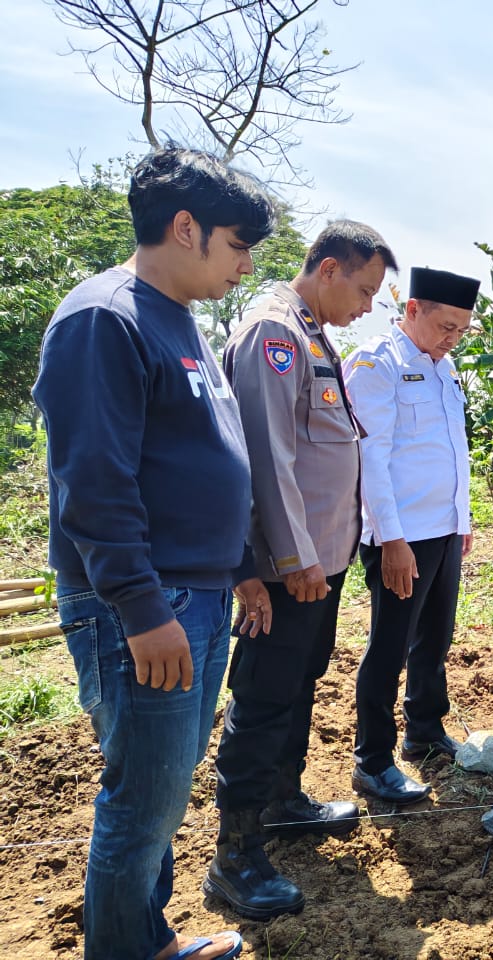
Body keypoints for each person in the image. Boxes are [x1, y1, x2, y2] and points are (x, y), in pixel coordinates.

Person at [33, 147, 276, 960]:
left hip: (195, 597)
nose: (245, 265)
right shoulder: (106, 318)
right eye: (238, 245)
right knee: (142, 803)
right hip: (147, 606)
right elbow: (93, 484)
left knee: (163, 795)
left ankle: (149, 940)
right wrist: (140, 609)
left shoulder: (179, 319)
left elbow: (207, 453)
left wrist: (239, 567)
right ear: (185, 228)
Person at [205, 221, 398, 920]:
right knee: (261, 702)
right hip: (294, 569)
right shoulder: (274, 334)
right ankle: (235, 856)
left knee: (296, 686)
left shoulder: (312, 336)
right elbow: (267, 456)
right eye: (365, 288)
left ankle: (284, 803)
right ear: (326, 269)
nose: (369, 305)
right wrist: (290, 558)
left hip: (321, 563)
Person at [343, 266, 480, 805]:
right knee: (389, 648)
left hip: (443, 530)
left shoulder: (442, 369)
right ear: (413, 309)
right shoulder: (378, 364)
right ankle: (372, 761)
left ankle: (423, 729)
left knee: (435, 640)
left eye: (461, 331)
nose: (451, 339)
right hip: (402, 536)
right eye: (445, 326)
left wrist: (461, 522)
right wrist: (391, 540)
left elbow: (452, 451)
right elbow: (371, 457)